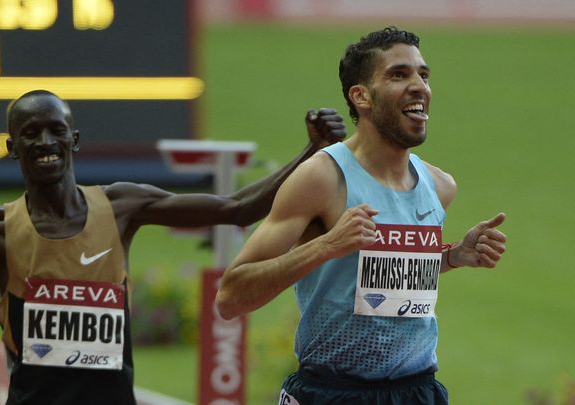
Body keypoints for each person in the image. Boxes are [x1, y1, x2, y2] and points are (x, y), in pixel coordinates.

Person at [0, 89, 345, 404]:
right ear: (13, 148)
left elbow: (236, 208)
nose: (45, 141)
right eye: (30, 134)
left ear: (73, 140)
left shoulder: (121, 206)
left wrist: (310, 152)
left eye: (55, 129)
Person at [215, 27, 507, 405]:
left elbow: (380, 278)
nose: (419, 86)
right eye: (399, 74)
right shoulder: (322, 178)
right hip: (332, 392)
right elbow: (231, 296)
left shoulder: (439, 186)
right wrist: (325, 246)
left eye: (423, 74)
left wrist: (452, 256)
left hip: (417, 391)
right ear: (361, 96)